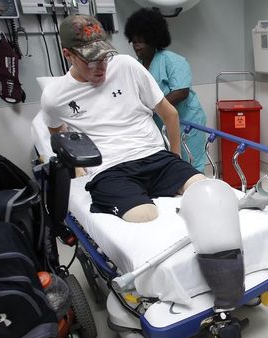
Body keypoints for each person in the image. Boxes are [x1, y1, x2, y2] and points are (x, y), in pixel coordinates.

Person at [41, 14, 205, 223]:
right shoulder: (55, 96)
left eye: (104, 57)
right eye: (91, 61)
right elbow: (59, 135)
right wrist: (78, 168)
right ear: (68, 54)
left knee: (205, 191)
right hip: (109, 169)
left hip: (155, 156)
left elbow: (170, 113)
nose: (100, 67)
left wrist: (175, 159)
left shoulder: (126, 66)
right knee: (145, 216)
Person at [124, 8, 208, 173]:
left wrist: (151, 108)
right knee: (169, 167)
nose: (137, 47)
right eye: (134, 42)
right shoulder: (136, 66)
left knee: (191, 165)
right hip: (160, 125)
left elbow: (181, 92)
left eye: (142, 42)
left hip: (187, 123)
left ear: (154, 40)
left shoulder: (172, 60)